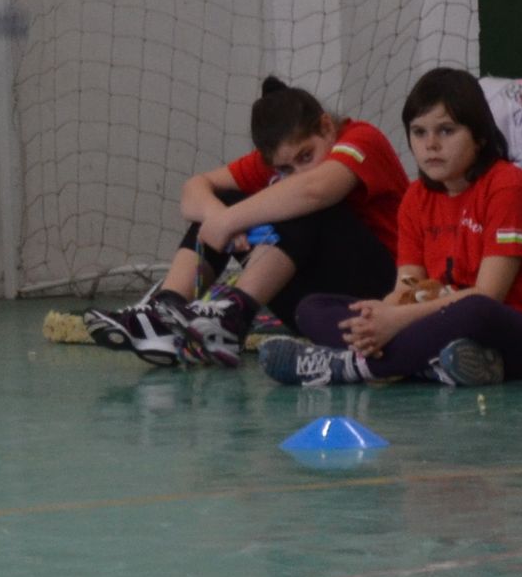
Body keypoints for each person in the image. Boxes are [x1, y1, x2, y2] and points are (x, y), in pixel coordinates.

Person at [261, 67, 522, 387]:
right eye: (419, 132)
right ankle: (435, 364)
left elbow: (490, 295)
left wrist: (396, 320)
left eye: (446, 131)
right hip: (440, 323)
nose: (431, 144)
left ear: (479, 137)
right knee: (311, 309)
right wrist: (380, 317)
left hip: (521, 335)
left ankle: (351, 366)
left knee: (476, 310)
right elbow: (408, 285)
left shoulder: (507, 187)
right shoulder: (416, 197)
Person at [81, 78, 402, 368]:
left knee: (292, 201)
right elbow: (193, 191)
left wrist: (229, 221)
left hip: (384, 291)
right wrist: (217, 216)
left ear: (326, 127)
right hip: (315, 305)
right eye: (285, 167)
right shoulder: (277, 167)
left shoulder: (362, 138)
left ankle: (234, 315)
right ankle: (165, 312)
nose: (298, 171)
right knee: (228, 199)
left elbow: (314, 190)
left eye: (306, 156)